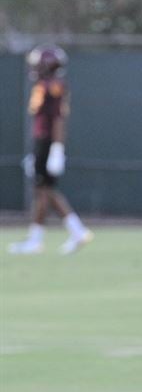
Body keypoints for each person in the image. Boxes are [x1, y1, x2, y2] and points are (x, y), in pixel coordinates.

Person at [9, 44, 93, 256]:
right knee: (45, 191)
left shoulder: (52, 86)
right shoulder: (44, 85)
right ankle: (76, 231)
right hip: (42, 142)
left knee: (43, 191)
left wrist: (56, 149)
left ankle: (38, 239)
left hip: (47, 142)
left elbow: (57, 120)